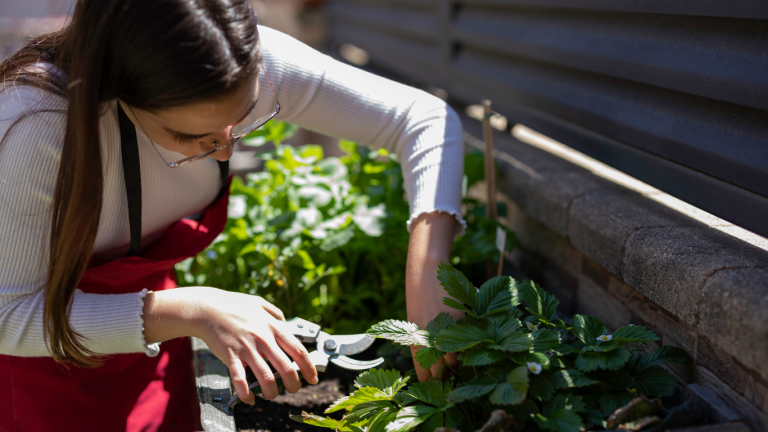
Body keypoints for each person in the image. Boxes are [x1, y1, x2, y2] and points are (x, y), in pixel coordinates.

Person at [0, 0, 465, 430]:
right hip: (40, 371)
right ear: (116, 90)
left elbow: (422, 121)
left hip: (157, 349)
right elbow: (8, 315)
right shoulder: (36, 128)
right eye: (191, 138)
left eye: (242, 120)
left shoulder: (238, 64)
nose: (223, 153)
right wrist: (190, 308)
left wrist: (429, 275)